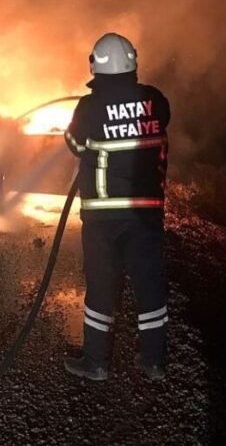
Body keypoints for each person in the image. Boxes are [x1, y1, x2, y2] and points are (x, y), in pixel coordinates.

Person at [63, 32, 171, 381]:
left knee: (101, 285)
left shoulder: (89, 106)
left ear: (95, 64)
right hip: (147, 213)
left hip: (103, 215)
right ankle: (153, 361)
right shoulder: (155, 99)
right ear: (133, 62)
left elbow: (75, 144)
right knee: (149, 283)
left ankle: (96, 363)